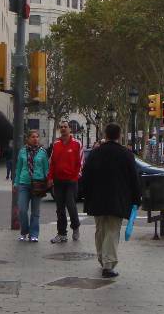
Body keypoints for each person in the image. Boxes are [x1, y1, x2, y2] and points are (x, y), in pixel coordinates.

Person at [80, 123, 140, 279]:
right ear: (119, 135)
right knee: (112, 231)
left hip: (97, 198)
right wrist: (136, 198)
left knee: (100, 229)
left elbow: (86, 176)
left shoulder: (95, 153)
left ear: (105, 135)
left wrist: (85, 194)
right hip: (117, 198)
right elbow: (134, 179)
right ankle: (108, 263)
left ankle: (101, 257)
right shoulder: (126, 154)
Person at [47, 120, 83, 244]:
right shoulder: (56, 144)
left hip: (71, 181)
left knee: (71, 205)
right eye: (61, 127)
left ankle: (75, 226)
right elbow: (52, 163)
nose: (63, 128)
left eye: (65, 127)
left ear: (70, 129)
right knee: (60, 208)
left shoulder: (77, 144)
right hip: (58, 181)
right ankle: (61, 234)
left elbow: (80, 162)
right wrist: (50, 178)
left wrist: (76, 176)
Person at [14, 130, 49, 242]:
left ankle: (34, 234)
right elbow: (18, 168)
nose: (35, 139)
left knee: (35, 212)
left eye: (37, 137)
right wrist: (16, 183)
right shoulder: (22, 151)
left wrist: (48, 182)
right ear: (28, 139)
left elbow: (46, 169)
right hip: (24, 183)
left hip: (38, 184)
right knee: (22, 210)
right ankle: (24, 232)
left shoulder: (43, 152)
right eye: (33, 137)